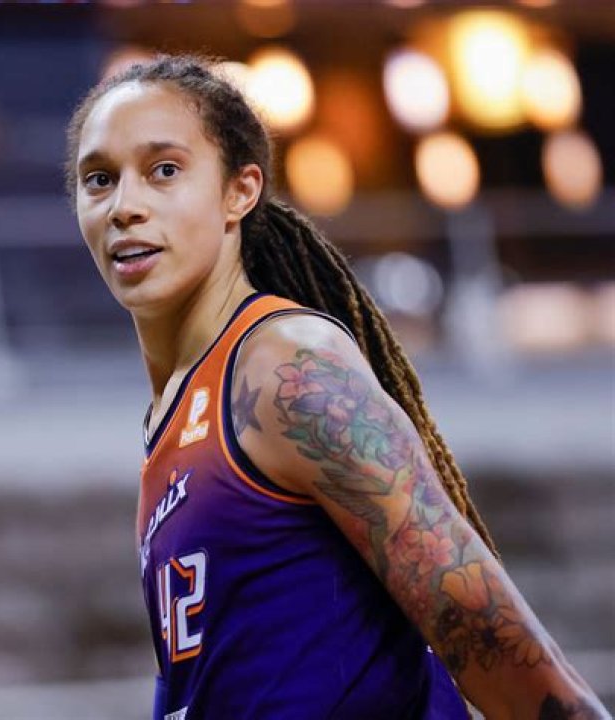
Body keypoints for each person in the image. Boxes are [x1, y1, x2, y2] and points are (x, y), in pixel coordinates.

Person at [65, 54, 608, 719]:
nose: (125, 206)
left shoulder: (285, 369)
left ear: (240, 191)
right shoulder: (172, 415)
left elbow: (488, 629)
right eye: (99, 179)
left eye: (164, 171)